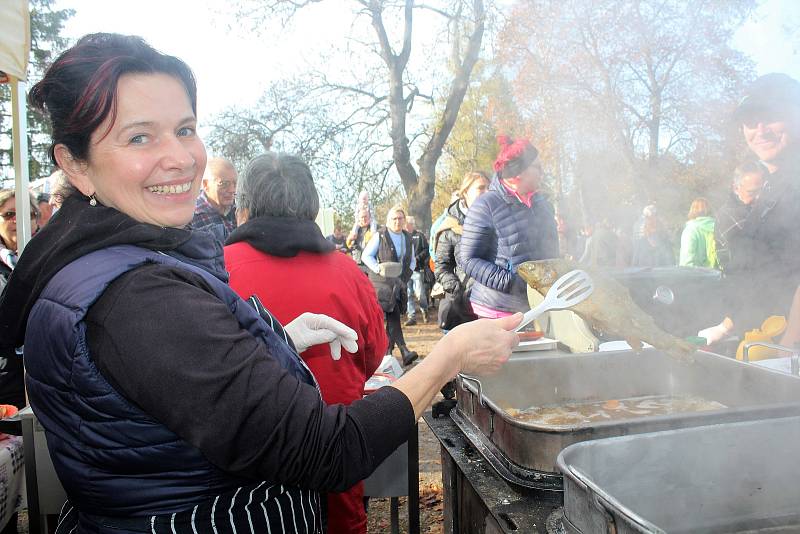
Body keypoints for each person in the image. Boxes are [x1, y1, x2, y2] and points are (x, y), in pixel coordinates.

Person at [1, 33, 520, 533]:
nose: (181, 157)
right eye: (139, 136)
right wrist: (448, 355)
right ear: (76, 165)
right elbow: (327, 450)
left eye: (185, 129)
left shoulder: (95, 263)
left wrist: (279, 341)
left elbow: (163, 397)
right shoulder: (138, 299)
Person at [224, 153, 388, 534]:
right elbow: (373, 355)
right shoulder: (348, 272)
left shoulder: (215, 270)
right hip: (335, 465)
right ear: (312, 207)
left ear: (243, 209)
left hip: (246, 485)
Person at [699, 73, 800, 344]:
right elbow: (768, 274)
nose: (760, 129)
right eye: (751, 121)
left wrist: (788, 348)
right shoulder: (770, 186)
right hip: (766, 335)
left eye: (771, 116)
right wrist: (726, 326)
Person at [460, 135, 559, 318]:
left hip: (539, 307)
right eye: (537, 167)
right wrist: (511, 282)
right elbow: (468, 259)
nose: (542, 173)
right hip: (497, 310)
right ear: (519, 172)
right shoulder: (486, 205)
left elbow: (552, 252)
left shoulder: (544, 205)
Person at [362, 205, 420, 366]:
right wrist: (378, 268)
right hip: (380, 283)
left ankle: (389, 352)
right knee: (383, 317)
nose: (397, 221)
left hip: (399, 282)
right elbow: (366, 256)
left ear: (404, 220)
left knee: (394, 315)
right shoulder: (380, 235)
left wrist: (406, 275)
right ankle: (400, 350)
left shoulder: (408, 237)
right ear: (388, 221)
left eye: (400, 218)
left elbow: (412, 260)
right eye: (394, 218)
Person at [434, 171, 488, 331]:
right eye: (481, 188)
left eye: (489, 188)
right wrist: (458, 289)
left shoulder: (497, 219)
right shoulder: (449, 228)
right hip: (462, 310)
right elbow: (442, 266)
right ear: (465, 192)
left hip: (493, 307)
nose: (486, 192)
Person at [0, 189, 36, 410]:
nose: (17, 220)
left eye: (25, 213)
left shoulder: (53, 255)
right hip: (5, 388)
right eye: (8, 214)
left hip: (46, 384)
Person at [715, 160, 767, 271]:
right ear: (736, 188)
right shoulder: (729, 214)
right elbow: (752, 255)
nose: (758, 197)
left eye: (761, 191)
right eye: (751, 192)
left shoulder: (754, 208)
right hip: (743, 282)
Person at [191, 157, 238, 239]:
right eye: (224, 184)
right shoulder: (191, 217)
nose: (232, 190)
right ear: (206, 184)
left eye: (235, 183)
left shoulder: (239, 212)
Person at [404, 215, 430, 325]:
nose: (405, 226)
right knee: (408, 293)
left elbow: (426, 250)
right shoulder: (402, 236)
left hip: (417, 270)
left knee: (420, 294)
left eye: (406, 224)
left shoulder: (419, 236)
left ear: (411, 224)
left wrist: (417, 259)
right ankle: (412, 317)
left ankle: (425, 310)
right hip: (406, 271)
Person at [678, 197, 719, 268]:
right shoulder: (718, 227)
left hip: (698, 276)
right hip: (717, 274)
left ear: (692, 211)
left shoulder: (691, 230)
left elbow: (687, 259)